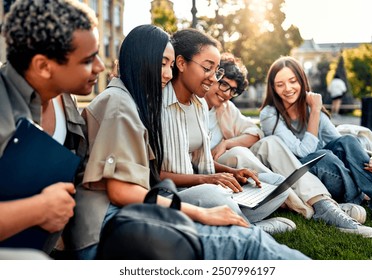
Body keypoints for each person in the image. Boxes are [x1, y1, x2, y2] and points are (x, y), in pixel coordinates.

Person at [66, 24, 309, 260]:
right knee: (246, 241)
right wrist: (202, 212)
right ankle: (248, 228)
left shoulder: (128, 102)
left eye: (170, 65)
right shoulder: (121, 106)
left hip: (122, 220)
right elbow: (121, 191)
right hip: (106, 231)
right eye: (163, 64)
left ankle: (242, 225)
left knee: (252, 211)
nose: (169, 74)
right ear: (140, 59)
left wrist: (224, 176)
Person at [160, 29, 298, 234]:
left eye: (216, 72)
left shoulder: (198, 104)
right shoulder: (158, 104)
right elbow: (154, 174)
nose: (212, 78)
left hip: (204, 187)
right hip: (174, 194)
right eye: (208, 69)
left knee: (277, 184)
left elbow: (199, 162)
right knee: (212, 194)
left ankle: (232, 222)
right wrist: (207, 180)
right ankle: (249, 230)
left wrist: (232, 173)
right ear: (181, 63)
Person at [0, 0, 104, 258]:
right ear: (43, 66)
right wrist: (39, 209)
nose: (100, 67)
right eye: (88, 60)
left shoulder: (63, 97)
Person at [259, 56, 372, 231]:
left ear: (301, 80)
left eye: (293, 81)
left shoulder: (310, 108)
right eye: (280, 84)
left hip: (333, 171)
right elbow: (302, 152)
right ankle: (366, 195)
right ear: (273, 88)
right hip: (303, 176)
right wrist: (315, 111)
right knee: (321, 156)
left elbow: (340, 142)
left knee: (347, 140)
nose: (288, 88)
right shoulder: (270, 115)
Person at [204, 52, 314, 226]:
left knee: (270, 143)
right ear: (213, 76)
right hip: (206, 168)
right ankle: (297, 203)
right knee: (239, 153)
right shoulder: (194, 106)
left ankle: (314, 199)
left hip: (226, 167)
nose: (226, 93)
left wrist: (226, 143)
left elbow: (255, 133)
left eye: (233, 90)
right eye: (224, 84)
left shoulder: (226, 108)